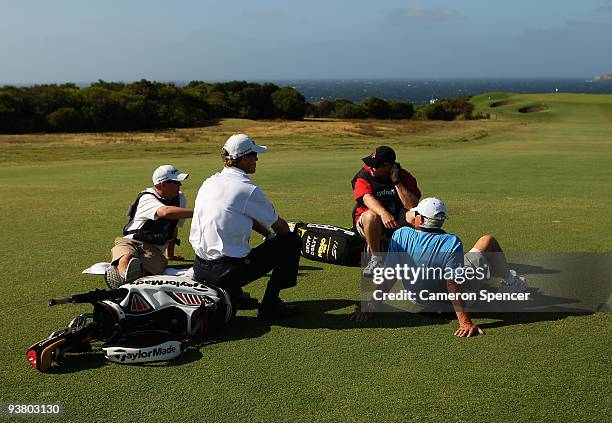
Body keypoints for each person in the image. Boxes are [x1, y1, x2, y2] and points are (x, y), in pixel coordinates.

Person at [350, 197, 528, 337]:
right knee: (487, 241)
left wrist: (370, 306)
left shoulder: (400, 235)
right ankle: (512, 282)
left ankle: (495, 281)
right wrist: (464, 322)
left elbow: (390, 275)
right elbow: (453, 283)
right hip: (452, 302)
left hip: (418, 300)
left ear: (420, 219)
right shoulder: (451, 241)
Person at [189, 134, 302, 320]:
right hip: (225, 273)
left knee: (236, 249)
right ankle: (270, 305)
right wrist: (275, 236)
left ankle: (234, 294)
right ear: (242, 159)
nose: (257, 158)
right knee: (291, 241)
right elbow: (282, 229)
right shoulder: (246, 189)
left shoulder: (209, 182)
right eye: (253, 155)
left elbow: (240, 216)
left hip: (200, 268)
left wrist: (267, 234)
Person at [105, 165, 194, 289]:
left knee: (148, 270)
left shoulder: (180, 198)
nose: (180, 185)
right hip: (131, 241)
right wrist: (198, 212)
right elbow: (165, 212)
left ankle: (127, 278)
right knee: (127, 257)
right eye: (176, 182)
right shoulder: (147, 197)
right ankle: (121, 279)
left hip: (154, 249)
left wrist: (170, 255)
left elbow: (173, 228)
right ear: (163, 184)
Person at [351, 146, 421, 274]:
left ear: (388, 167)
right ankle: (376, 259)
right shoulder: (363, 175)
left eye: (375, 165)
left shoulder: (403, 176)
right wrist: (383, 213)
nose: (371, 167)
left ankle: (414, 257)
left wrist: (396, 181)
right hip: (370, 222)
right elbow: (366, 198)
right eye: (370, 163)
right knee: (371, 216)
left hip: (396, 219)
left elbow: (412, 205)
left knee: (416, 217)